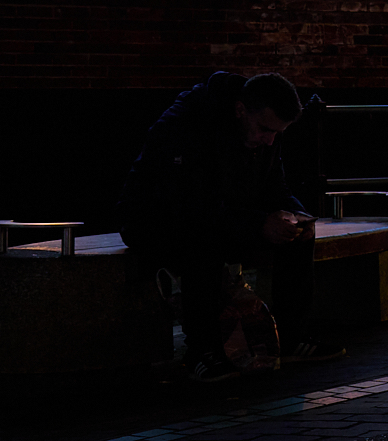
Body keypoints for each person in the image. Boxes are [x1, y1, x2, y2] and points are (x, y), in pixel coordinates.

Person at [116, 70, 342, 382]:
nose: (269, 139)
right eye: (265, 129)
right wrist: (258, 223)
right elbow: (187, 205)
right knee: (203, 242)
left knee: (297, 237)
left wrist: (296, 216)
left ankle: (289, 338)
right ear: (240, 111)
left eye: (278, 133)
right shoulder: (186, 125)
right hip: (156, 221)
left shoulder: (262, 134)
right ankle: (202, 350)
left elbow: (275, 186)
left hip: (223, 213)